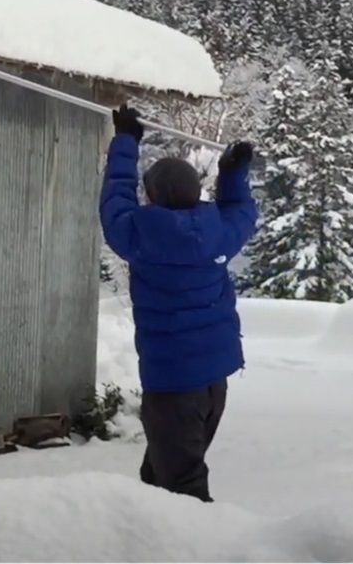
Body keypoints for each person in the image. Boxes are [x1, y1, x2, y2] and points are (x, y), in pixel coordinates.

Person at [99, 102, 258, 504]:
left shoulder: (140, 235)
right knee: (160, 477)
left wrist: (125, 141)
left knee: (184, 492)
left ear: (150, 196)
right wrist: (233, 171)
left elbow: (115, 196)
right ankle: (148, 541)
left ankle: (198, 548)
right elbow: (239, 207)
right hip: (213, 384)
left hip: (172, 386)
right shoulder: (219, 232)